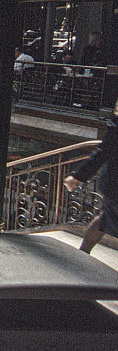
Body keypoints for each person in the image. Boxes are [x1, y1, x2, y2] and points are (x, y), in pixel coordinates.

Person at [64, 106, 118, 254]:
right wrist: (78, 175)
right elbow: (104, 150)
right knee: (105, 218)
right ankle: (82, 253)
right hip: (115, 182)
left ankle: (82, 253)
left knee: (105, 218)